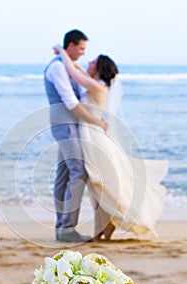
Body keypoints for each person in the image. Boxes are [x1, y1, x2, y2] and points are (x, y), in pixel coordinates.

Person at [54, 45, 168, 240]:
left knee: (101, 183)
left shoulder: (97, 86)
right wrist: (71, 59)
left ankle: (105, 228)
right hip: (90, 135)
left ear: (98, 69)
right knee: (98, 184)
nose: (88, 63)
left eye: (92, 62)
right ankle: (103, 228)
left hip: (93, 137)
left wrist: (62, 52)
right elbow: (79, 71)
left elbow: (74, 72)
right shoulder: (96, 83)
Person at [44, 29, 107, 243]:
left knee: (64, 174)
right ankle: (67, 227)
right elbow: (71, 102)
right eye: (81, 48)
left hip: (71, 125)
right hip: (65, 124)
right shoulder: (57, 68)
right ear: (70, 46)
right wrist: (96, 121)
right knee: (78, 171)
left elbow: (81, 83)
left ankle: (62, 228)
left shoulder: (67, 66)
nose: (82, 53)